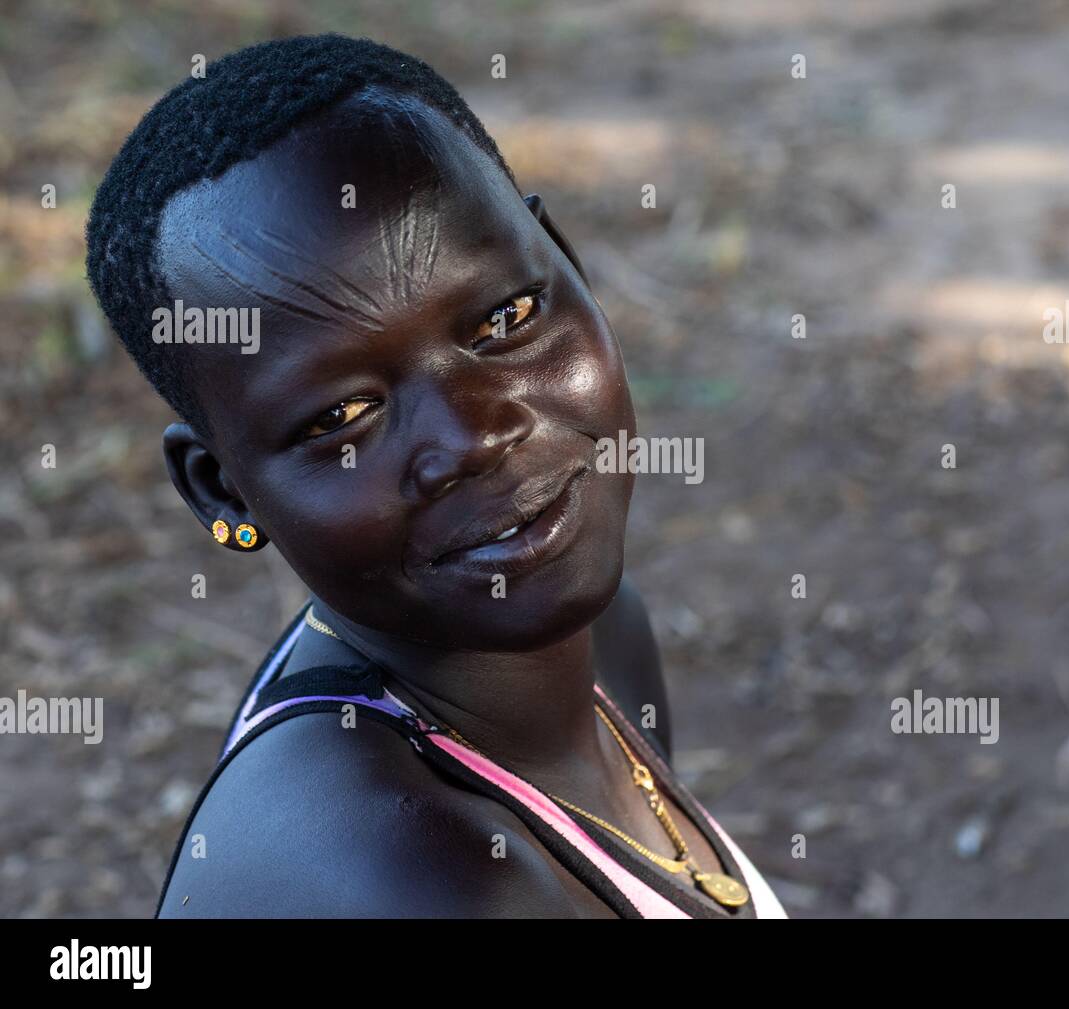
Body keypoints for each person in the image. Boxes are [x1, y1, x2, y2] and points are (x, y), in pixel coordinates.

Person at [85, 33, 787, 918]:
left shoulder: (601, 638)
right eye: (343, 416)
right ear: (223, 493)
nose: (476, 435)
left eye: (506, 317)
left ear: (564, 257)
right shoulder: (422, 879)